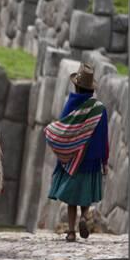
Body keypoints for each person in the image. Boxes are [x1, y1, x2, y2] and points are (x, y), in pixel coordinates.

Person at [45, 63, 109, 242]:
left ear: (76, 85)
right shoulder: (99, 109)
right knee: (85, 195)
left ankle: (71, 232)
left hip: (72, 159)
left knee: (72, 198)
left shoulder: (71, 103)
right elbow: (104, 138)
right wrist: (104, 161)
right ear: (91, 89)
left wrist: (54, 136)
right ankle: (84, 216)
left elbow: (64, 128)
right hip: (92, 160)